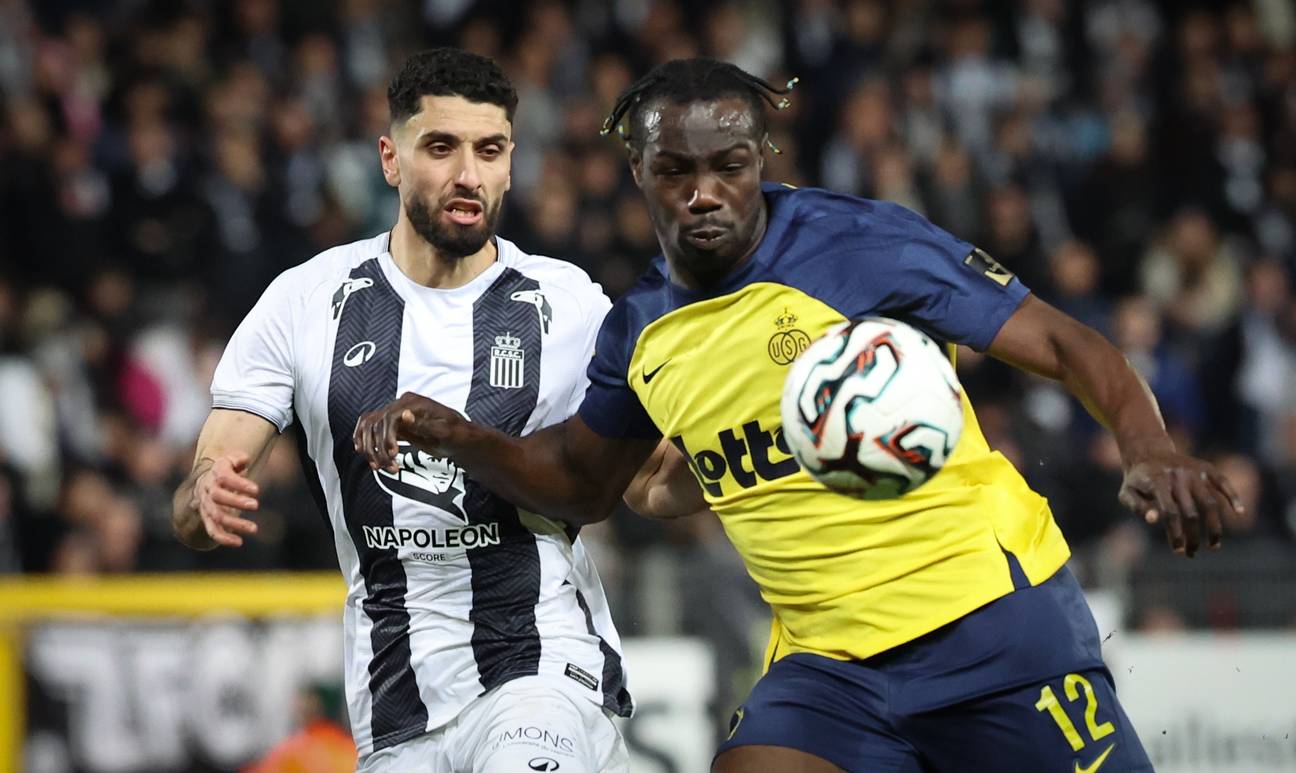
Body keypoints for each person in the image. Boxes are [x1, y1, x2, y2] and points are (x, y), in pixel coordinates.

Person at [353, 59, 1242, 772]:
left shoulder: (861, 245)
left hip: (990, 624)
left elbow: (1063, 342)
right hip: (828, 669)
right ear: (639, 173)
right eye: (676, 170)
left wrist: (1149, 446)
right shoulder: (642, 330)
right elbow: (583, 483)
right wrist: (457, 435)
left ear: (761, 161)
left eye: (729, 167)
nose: (704, 192)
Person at [172, 48, 631, 773]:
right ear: (390, 159)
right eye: (441, 148)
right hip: (395, 708)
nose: (468, 175)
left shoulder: (567, 303)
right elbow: (201, 490)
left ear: (511, 164)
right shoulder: (305, 301)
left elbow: (651, 478)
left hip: (540, 670)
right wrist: (205, 494)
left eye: (490, 151)